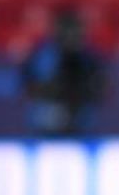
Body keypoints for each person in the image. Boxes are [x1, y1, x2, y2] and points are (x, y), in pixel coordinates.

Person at [20, 9, 106, 137]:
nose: (71, 35)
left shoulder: (88, 56)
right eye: (67, 30)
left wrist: (86, 90)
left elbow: (101, 87)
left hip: (80, 124)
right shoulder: (43, 56)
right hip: (46, 122)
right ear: (57, 31)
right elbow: (29, 86)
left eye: (75, 30)